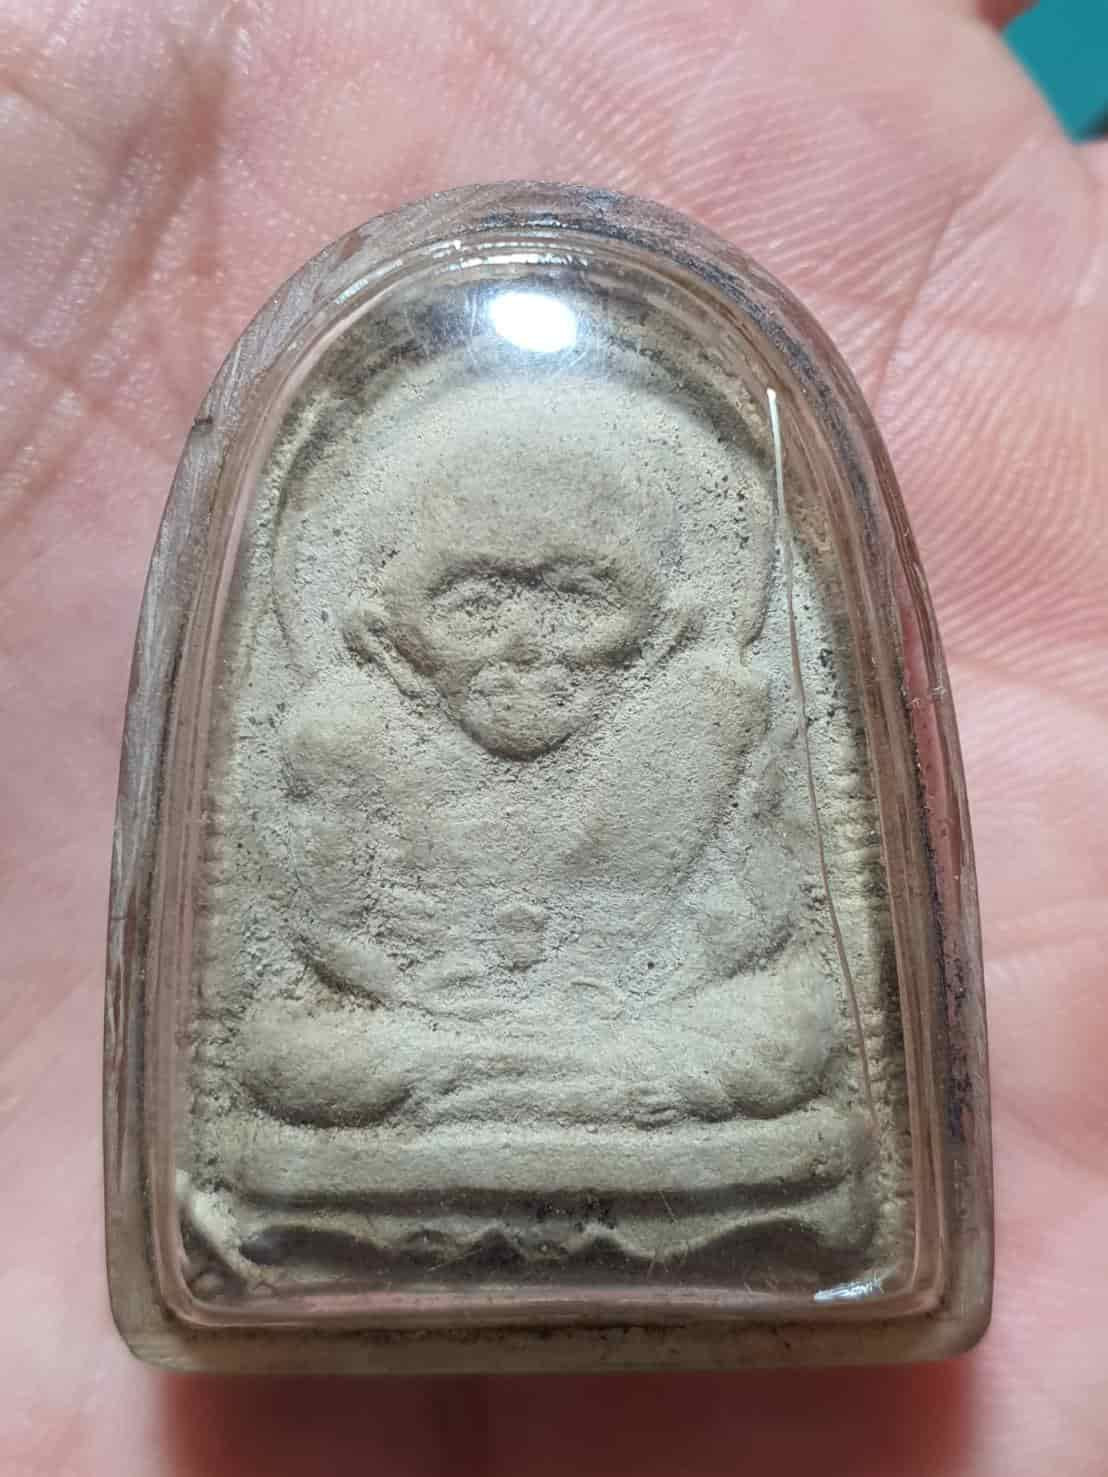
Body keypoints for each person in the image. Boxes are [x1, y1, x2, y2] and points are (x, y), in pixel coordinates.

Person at [2, 0, 1105, 1471]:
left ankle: (578, 1119)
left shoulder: (708, 717)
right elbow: (327, 938)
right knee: (284, 1059)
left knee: (788, 1046)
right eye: (475, 604)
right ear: (386, 622)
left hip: (656, 1046)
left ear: (659, 616)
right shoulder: (344, 735)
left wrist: (630, 1010)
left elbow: (754, 923)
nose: (525, 649)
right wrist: (447, 1015)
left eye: (576, 601)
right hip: (420, 1044)